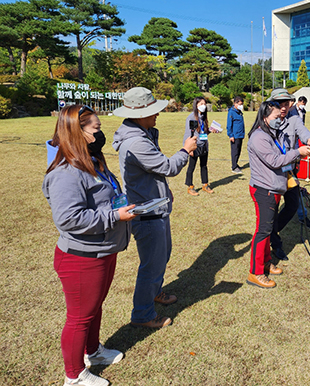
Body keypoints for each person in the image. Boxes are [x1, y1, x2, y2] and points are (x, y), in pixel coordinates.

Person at [43, 105, 136, 386]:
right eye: (95, 128)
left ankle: (93, 351)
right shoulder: (65, 173)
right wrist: (114, 216)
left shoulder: (91, 161)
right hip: (81, 257)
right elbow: (69, 218)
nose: (100, 132)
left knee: (95, 307)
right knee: (79, 318)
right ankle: (74, 376)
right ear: (76, 132)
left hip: (103, 249)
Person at [113, 87, 197, 329]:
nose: (158, 114)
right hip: (147, 212)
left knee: (161, 257)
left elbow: (154, 172)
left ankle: (155, 292)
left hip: (154, 205)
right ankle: (142, 314)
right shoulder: (137, 142)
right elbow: (168, 167)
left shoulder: (143, 133)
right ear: (139, 114)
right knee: (151, 264)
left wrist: (162, 190)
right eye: (153, 111)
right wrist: (186, 150)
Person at [246, 101, 310, 288]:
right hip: (264, 190)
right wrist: (297, 152)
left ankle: (266, 261)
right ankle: (255, 272)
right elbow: (275, 161)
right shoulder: (259, 137)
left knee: (268, 229)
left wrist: (297, 156)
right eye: (276, 117)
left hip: (274, 188)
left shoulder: (271, 134)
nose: (279, 121)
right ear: (265, 117)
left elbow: (282, 160)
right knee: (263, 231)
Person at [268, 88, 310, 260]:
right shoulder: (266, 121)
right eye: (280, 104)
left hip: (289, 171)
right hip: (272, 172)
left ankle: (272, 231)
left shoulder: (294, 119)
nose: (283, 107)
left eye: (286, 104)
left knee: (293, 204)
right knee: (271, 210)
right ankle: (275, 243)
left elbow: (303, 131)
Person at [184, 97, 215, 194]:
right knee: (191, 167)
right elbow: (188, 133)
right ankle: (190, 186)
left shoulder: (203, 117)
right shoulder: (191, 117)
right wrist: (190, 149)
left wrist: (210, 130)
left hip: (204, 145)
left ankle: (205, 185)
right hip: (195, 146)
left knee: (204, 166)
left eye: (204, 104)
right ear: (196, 105)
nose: (203, 106)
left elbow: (203, 132)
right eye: (201, 104)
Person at [227, 96, 246, 173]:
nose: (241, 106)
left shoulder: (239, 112)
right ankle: (234, 166)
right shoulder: (231, 112)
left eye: (242, 104)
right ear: (235, 103)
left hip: (240, 135)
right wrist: (230, 135)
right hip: (235, 135)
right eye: (240, 104)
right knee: (235, 151)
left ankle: (236, 163)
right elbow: (229, 125)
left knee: (238, 150)